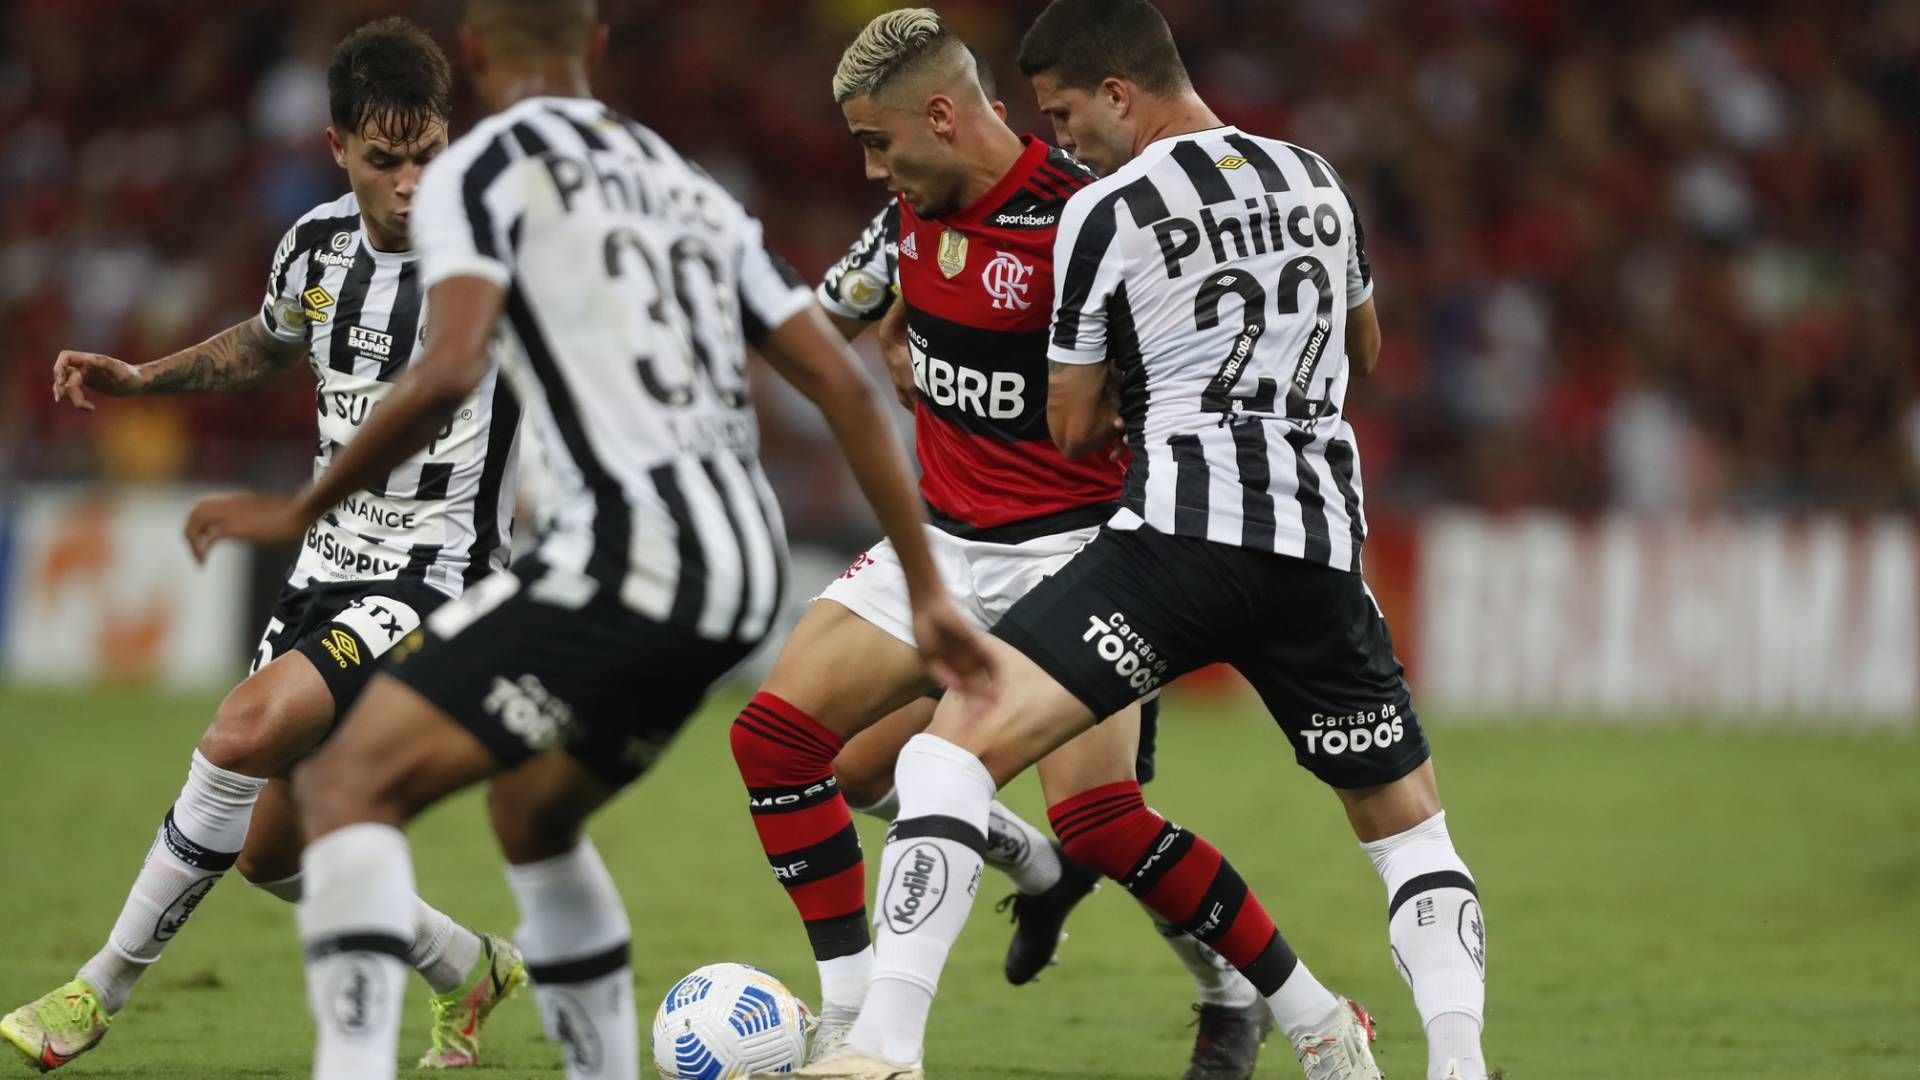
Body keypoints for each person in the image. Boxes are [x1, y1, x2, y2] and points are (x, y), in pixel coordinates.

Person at [182, 2, 993, 1078]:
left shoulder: (479, 173)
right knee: (533, 813)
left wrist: (300, 508)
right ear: (598, 51)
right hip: (741, 560)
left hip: (624, 551)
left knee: (345, 788)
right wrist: (927, 585)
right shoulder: (683, 180)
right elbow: (840, 381)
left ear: (472, 59)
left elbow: (451, 365)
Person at [804, 2, 1496, 1079]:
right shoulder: (1319, 178)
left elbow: (1072, 424)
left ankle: (882, 1046)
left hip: (1174, 547)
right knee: (1414, 843)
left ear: (1119, 93)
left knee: (948, 754)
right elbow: (1361, 349)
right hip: (1320, 554)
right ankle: (1453, 1066)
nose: (1062, 137)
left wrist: (1146, 387)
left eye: (1067, 112)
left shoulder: (1105, 211)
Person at [739, 12, 1302, 1079]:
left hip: (1081, 553)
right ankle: (860, 1012)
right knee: (792, 747)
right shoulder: (903, 217)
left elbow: (1179, 379)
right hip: (949, 547)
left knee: (1103, 820)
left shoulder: (1089, 221)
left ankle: (1237, 995)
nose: (871, 167)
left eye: (877, 141)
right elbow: (819, 332)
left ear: (942, 115)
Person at [1, 18, 527, 1073]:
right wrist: (146, 379)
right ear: (336, 148)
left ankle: (94, 991)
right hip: (328, 568)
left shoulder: (498, 263)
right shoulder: (318, 246)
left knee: (239, 731)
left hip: (440, 576)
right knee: (266, 854)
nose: (413, 182)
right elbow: (265, 343)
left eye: (429, 154)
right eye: (386, 161)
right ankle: (469, 967)